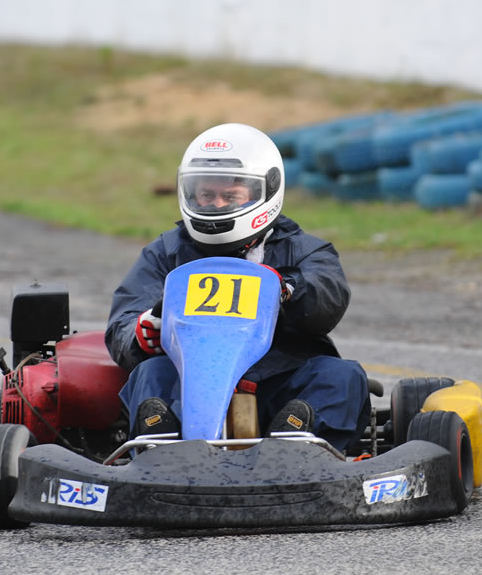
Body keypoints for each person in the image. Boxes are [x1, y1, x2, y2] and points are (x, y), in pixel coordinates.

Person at [104, 122, 370, 453]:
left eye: (230, 195)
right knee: (150, 373)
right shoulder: (166, 252)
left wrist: (287, 289)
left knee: (341, 376)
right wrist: (141, 330)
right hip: (190, 383)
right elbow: (124, 321)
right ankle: (162, 448)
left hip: (280, 378)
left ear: (266, 192)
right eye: (206, 194)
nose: (216, 205)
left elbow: (326, 299)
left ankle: (298, 444)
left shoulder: (304, 251)